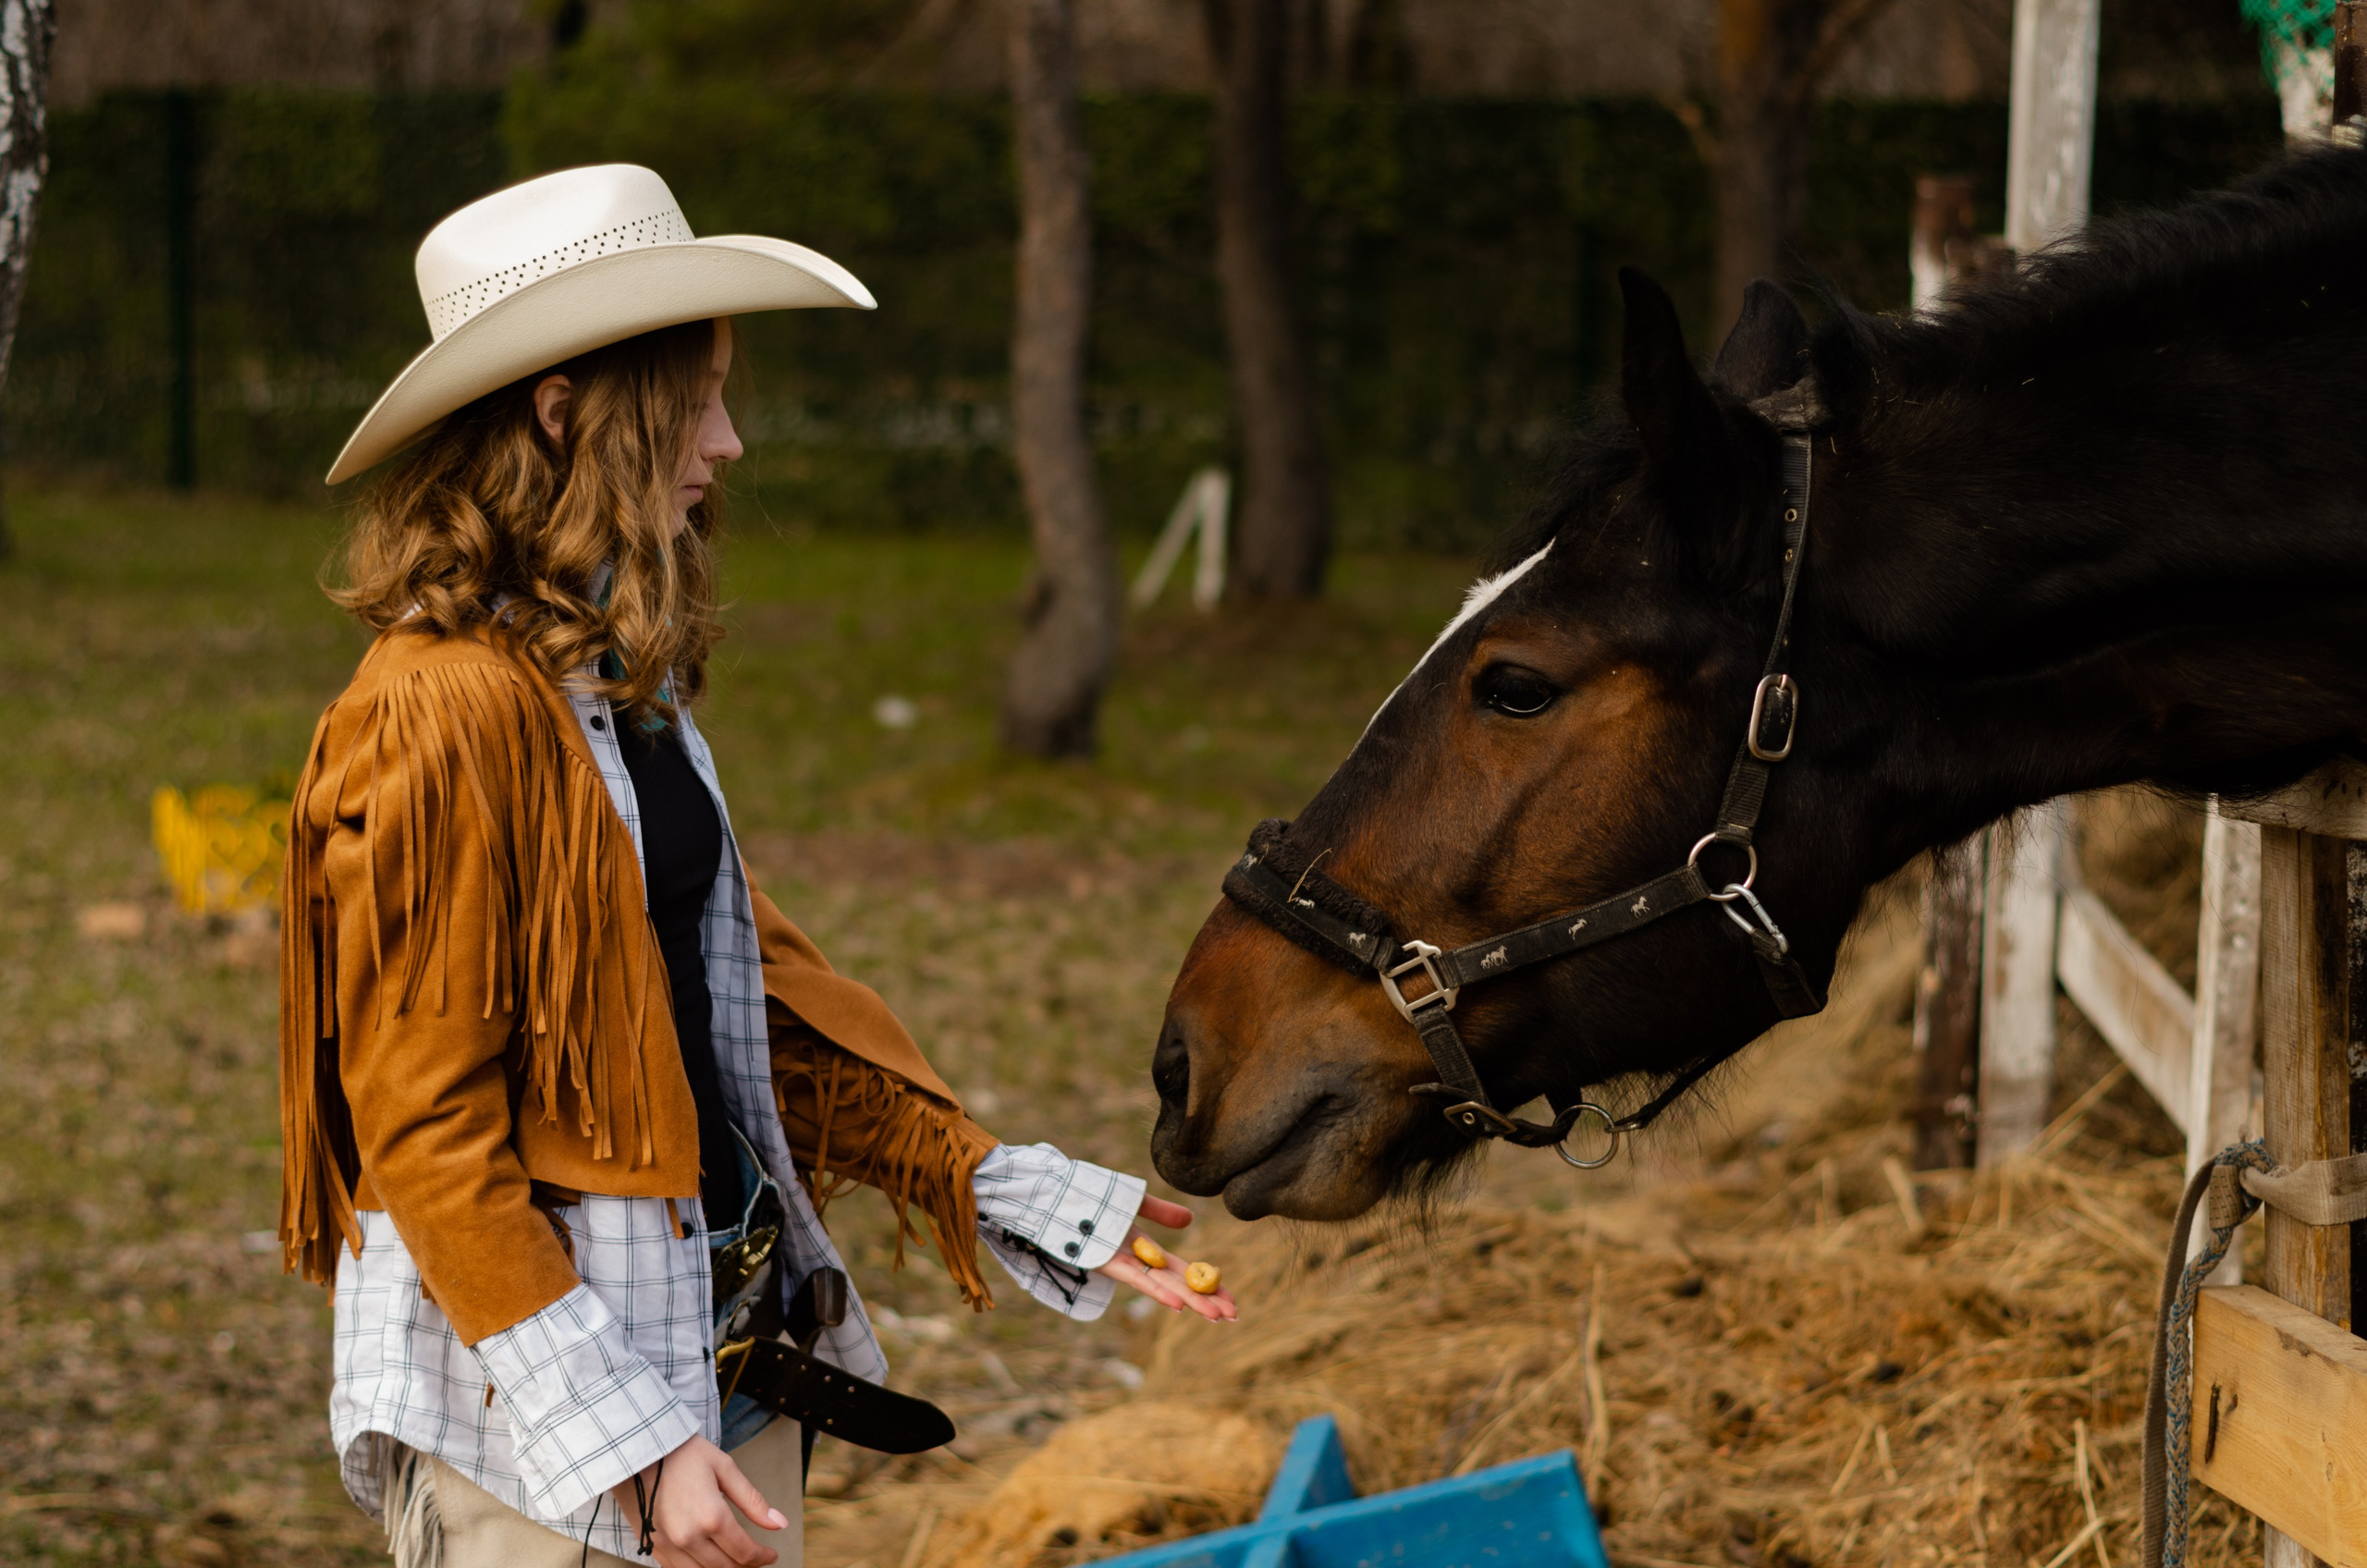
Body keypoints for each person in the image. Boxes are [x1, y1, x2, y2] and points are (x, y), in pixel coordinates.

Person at [278, 164, 1236, 1568]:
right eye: (698, 401)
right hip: (553, 1459)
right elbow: (426, 1140)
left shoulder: (609, 685)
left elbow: (730, 1016)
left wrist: (1012, 1190)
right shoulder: (443, 713)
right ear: (564, 412)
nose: (727, 444)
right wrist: (638, 1448)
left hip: (720, 1373)